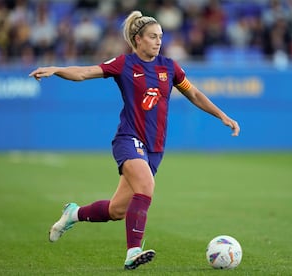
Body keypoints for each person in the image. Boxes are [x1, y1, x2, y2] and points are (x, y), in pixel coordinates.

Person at [28, 10, 240, 270]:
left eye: (160, 36)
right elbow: (84, 73)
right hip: (128, 139)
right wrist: (58, 69)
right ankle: (133, 252)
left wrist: (222, 115)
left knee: (117, 210)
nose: (158, 41)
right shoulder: (124, 64)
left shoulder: (169, 67)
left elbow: (193, 94)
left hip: (155, 148)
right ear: (137, 39)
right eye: (152, 36)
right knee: (146, 186)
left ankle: (74, 213)